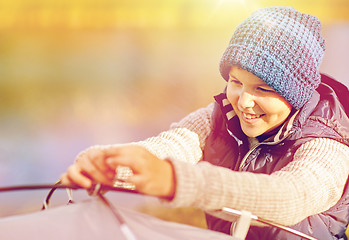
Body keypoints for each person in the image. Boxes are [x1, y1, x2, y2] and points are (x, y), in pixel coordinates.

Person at [60, 6, 349, 239]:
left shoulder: (328, 142)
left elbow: (291, 197)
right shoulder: (220, 116)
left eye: (263, 89)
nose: (244, 102)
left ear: (295, 93)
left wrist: (174, 180)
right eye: (236, 82)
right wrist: (109, 164)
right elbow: (169, 146)